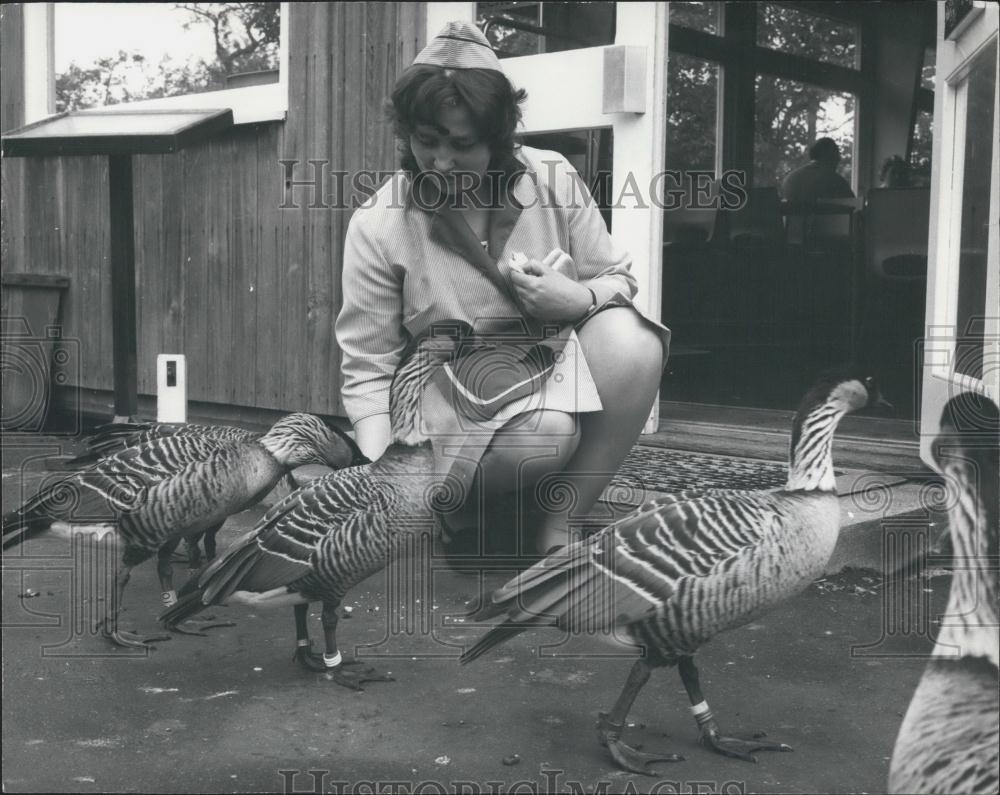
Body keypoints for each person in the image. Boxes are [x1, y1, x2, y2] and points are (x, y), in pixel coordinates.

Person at [335, 21, 669, 558]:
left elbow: (618, 279)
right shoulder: (378, 223)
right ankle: (455, 507)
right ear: (406, 134)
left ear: (498, 137)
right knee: (547, 434)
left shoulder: (554, 177)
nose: (441, 162)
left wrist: (575, 299)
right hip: (450, 398)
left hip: (546, 374)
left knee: (634, 341)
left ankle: (558, 525)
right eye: (427, 141)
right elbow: (368, 368)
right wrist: (386, 488)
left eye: (462, 144)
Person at [780, 137, 855, 204]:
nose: (839, 159)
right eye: (836, 154)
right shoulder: (836, 182)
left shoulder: (790, 179)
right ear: (828, 155)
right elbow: (854, 207)